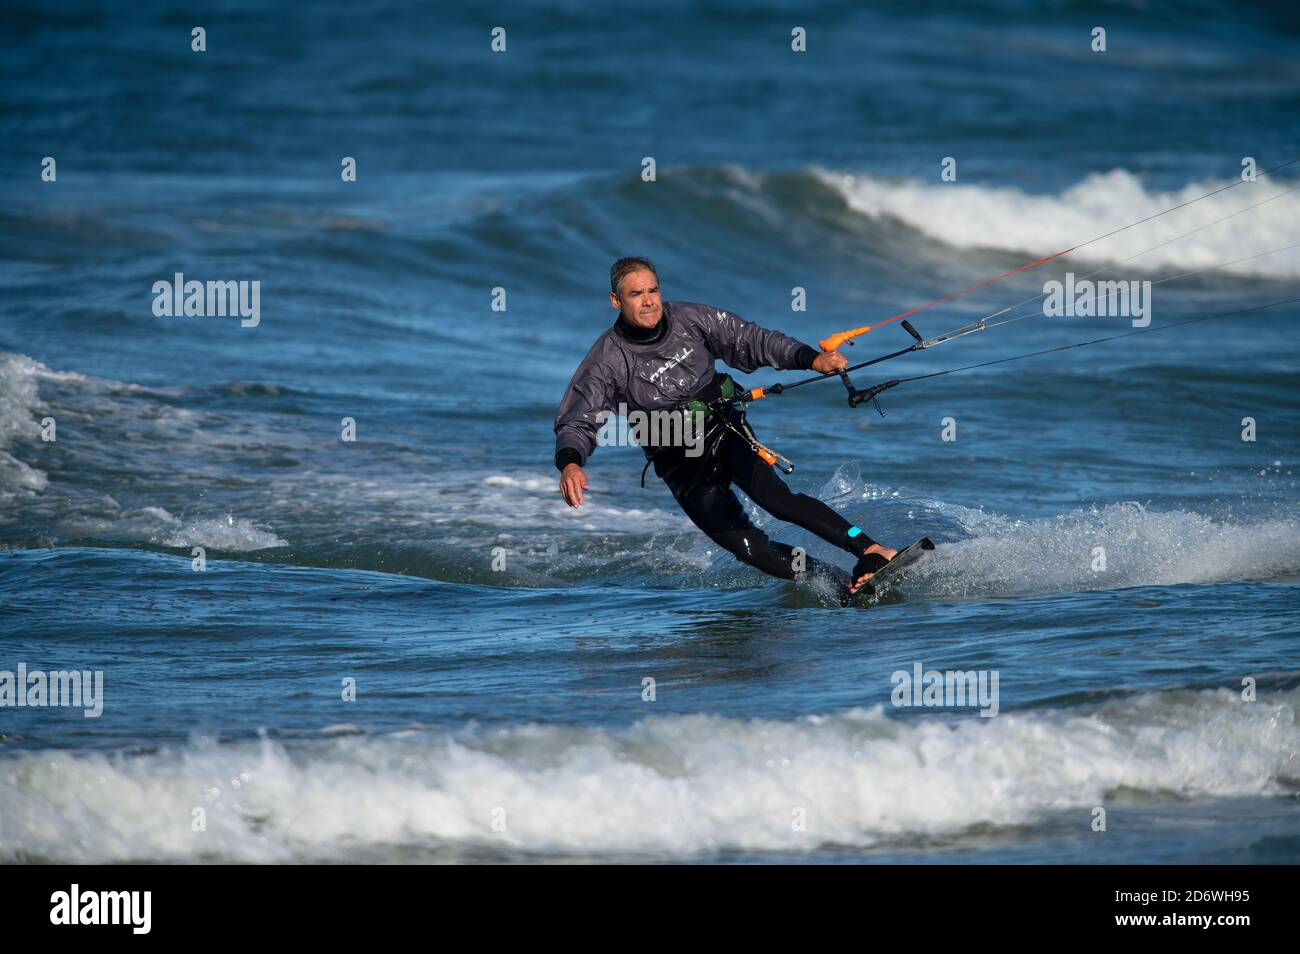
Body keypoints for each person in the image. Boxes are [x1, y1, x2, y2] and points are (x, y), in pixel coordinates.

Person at [554, 256, 897, 599]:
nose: (648, 301)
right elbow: (578, 417)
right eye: (636, 294)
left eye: (653, 290)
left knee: (775, 499)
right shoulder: (607, 358)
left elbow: (753, 340)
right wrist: (571, 462)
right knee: (747, 546)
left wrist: (811, 359)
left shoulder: (692, 319)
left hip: (722, 428)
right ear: (616, 300)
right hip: (676, 459)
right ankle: (838, 585)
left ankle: (870, 549)